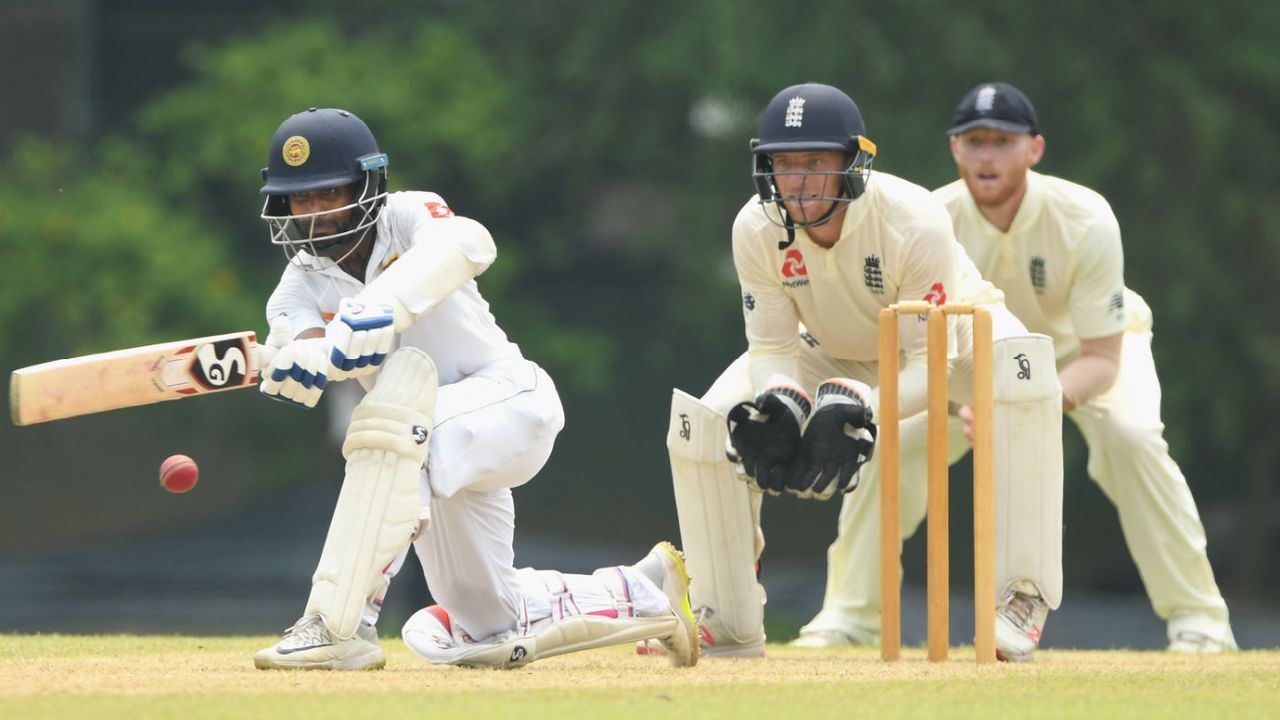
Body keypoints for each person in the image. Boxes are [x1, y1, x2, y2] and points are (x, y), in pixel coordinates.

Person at [250, 107, 699, 670]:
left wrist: (375, 310)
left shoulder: (408, 215)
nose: (316, 212)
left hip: (510, 402)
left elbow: (469, 243)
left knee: (387, 430)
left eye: (329, 192)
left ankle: (341, 624)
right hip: (435, 449)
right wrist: (304, 355)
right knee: (487, 619)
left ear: (366, 185)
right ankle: (645, 587)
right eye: (300, 199)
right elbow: (303, 337)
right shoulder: (298, 284)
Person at [796, 82, 1236, 654]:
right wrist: (976, 399)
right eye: (974, 141)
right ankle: (849, 618)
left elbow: (1104, 359)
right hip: (962, 366)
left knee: (1131, 438)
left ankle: (1200, 622)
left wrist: (1020, 404)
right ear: (954, 149)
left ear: (1035, 149)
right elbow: (918, 343)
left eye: (1003, 142)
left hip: (1082, 357)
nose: (987, 156)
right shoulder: (927, 217)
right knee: (888, 443)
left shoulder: (1085, 218)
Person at [652, 84, 1065, 662]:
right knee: (705, 423)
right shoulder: (754, 227)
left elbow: (929, 364)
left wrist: (860, 406)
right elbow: (771, 346)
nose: (796, 183)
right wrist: (780, 399)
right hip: (830, 346)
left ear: (853, 162)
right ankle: (729, 617)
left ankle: (1024, 595)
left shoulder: (911, 218)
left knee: (1027, 374)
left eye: (815, 163)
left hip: (955, 336)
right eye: (784, 163)